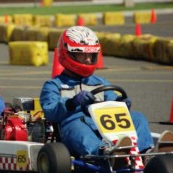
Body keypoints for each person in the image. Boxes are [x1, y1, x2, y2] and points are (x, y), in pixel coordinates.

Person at [40, 26, 172, 160]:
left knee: (138, 117)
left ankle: (145, 152)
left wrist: (121, 104)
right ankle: (106, 153)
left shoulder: (100, 82)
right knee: (76, 126)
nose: (87, 59)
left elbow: (113, 100)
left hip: (104, 127)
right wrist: (71, 103)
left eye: (90, 55)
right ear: (67, 53)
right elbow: (49, 111)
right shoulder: (53, 85)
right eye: (82, 54)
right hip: (74, 132)